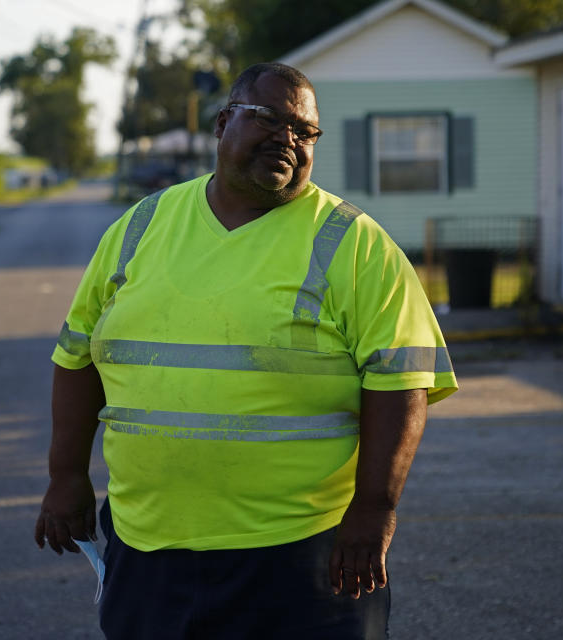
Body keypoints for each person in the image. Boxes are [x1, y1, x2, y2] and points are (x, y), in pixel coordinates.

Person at [35, 62, 458, 639]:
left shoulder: (355, 243)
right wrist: (66, 475)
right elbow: (78, 358)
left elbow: (402, 383)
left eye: (305, 132)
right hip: (148, 543)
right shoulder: (140, 228)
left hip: (301, 551)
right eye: (269, 120)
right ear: (222, 122)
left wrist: (374, 511)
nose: (288, 140)